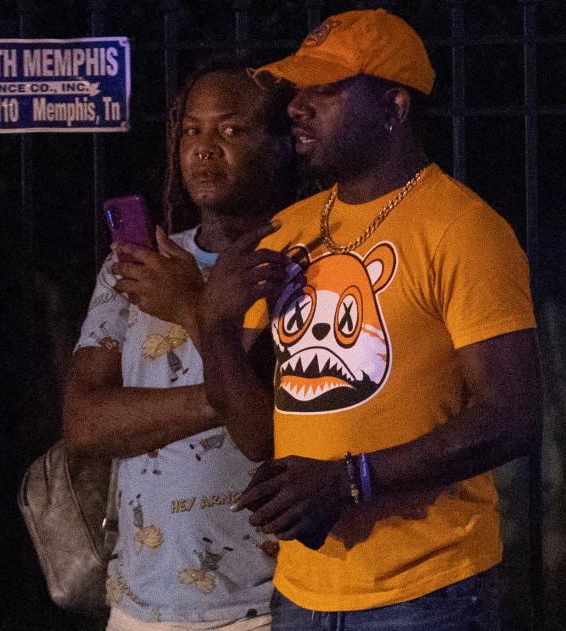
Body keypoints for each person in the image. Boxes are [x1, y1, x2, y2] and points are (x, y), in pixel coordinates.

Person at [200, 9, 540, 630]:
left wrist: (351, 479)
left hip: (429, 593)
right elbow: (258, 440)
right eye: (298, 91)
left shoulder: (462, 229)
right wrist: (215, 327)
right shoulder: (291, 231)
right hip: (302, 591)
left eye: (325, 90)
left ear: (395, 106)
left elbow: (513, 417)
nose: (298, 107)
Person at [62, 57, 298, 631]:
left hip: (263, 606)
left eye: (231, 130)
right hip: (142, 602)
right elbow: (85, 424)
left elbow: (266, 434)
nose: (204, 148)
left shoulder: (299, 261)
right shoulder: (138, 267)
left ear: (280, 144)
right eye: (192, 129)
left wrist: (191, 309)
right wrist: (225, 397)